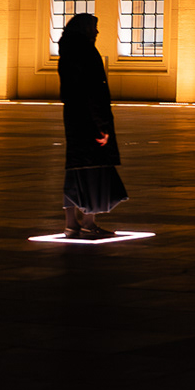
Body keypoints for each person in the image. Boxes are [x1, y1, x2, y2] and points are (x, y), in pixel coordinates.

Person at [58, 13, 127, 239]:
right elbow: (93, 91)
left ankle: (71, 224)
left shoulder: (67, 52)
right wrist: (102, 125)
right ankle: (89, 223)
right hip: (89, 120)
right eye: (93, 28)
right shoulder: (86, 52)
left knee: (75, 170)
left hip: (73, 118)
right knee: (94, 170)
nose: (96, 32)